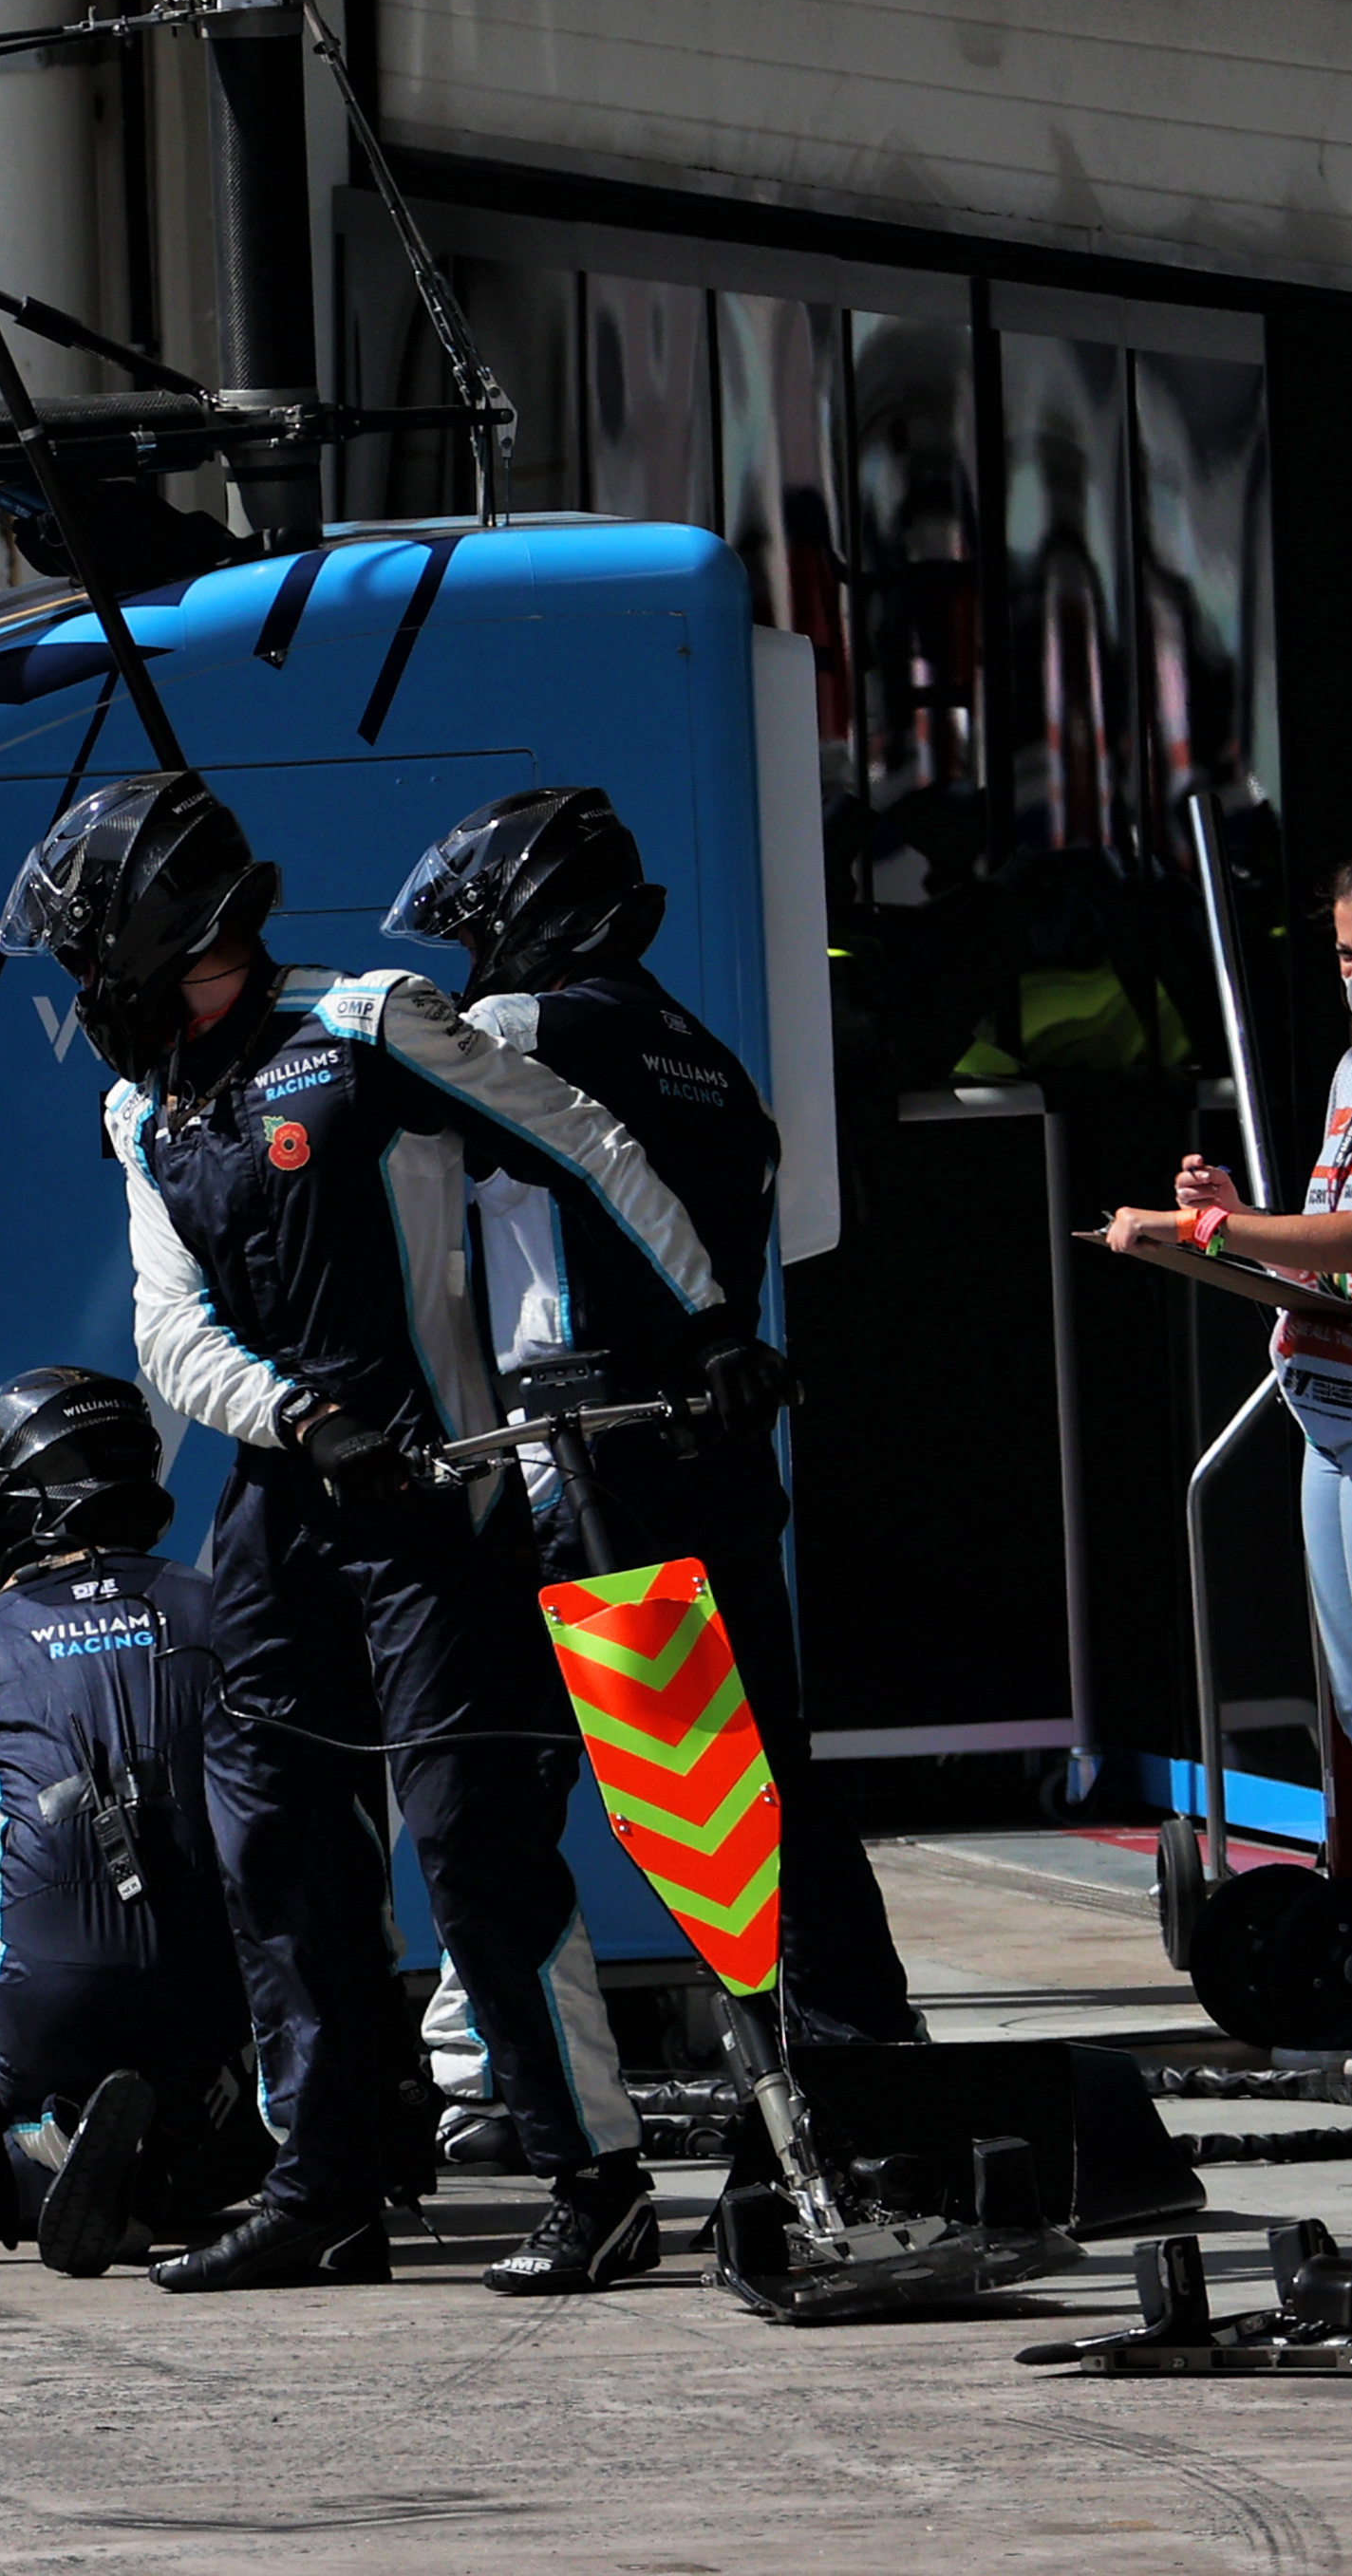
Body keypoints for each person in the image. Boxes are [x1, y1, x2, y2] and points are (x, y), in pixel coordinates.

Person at [6, 768, 772, 2298]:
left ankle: (596, 2178)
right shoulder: (140, 1106)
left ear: (163, 933)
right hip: (287, 1506)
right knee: (273, 1841)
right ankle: (329, 2185)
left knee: (472, 1845)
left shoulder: (370, 1027)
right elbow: (170, 1332)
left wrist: (706, 1323)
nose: (85, 995)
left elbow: (590, 1149)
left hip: (444, 1505)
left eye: (94, 957)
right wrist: (300, 1422)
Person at [393, 785, 917, 2058]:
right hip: (715, 1453)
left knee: (541, 1786)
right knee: (762, 1773)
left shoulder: (515, 1025)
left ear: (526, 914)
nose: (468, 961)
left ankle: (504, 2061)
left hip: (582, 1463)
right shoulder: (712, 1064)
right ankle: (860, 2037)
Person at [0, 1369, 248, 2283]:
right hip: (219, 1989)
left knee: (17, 2134)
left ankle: (47, 2142)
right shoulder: (221, 1609)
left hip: (51, 2001)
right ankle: (203, 2131)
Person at [1104, 845, 1352, 1884]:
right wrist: (1240, 1216)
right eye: (1345, 954)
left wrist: (1217, 1229)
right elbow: (1321, 1225)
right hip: (1328, 1409)